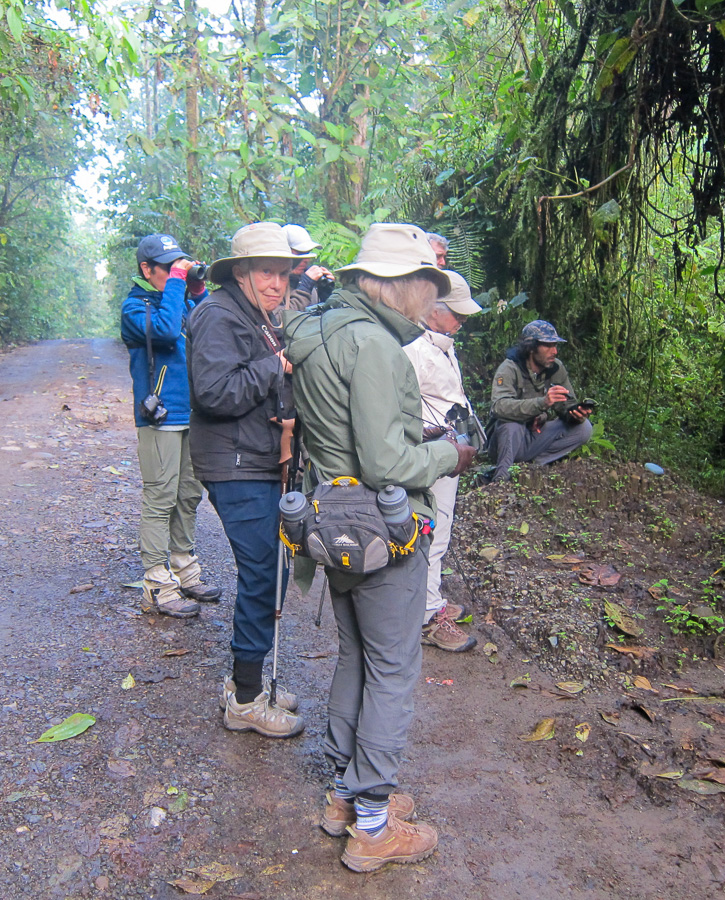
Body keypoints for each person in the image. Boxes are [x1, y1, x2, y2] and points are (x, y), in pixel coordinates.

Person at [282, 223, 477, 873]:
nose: (434, 299)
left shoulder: (318, 331)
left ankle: (346, 794)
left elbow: (344, 427)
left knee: (357, 658)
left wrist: (405, 426)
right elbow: (385, 458)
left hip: (330, 522)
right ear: (401, 285)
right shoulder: (375, 347)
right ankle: (372, 824)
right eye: (431, 285)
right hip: (383, 530)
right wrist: (451, 451)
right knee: (392, 668)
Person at [186, 223, 305, 739]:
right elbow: (214, 392)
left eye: (283, 273)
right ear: (241, 272)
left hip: (255, 460)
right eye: (266, 272)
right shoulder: (217, 315)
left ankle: (247, 684)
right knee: (262, 573)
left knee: (271, 570)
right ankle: (247, 699)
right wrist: (275, 366)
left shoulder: (257, 315)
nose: (277, 283)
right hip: (234, 466)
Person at [120, 234, 222, 618]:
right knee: (160, 497)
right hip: (159, 416)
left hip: (192, 414)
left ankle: (183, 567)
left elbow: (210, 330)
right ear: (146, 269)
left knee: (188, 495)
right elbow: (163, 332)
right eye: (167, 267)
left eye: (177, 265)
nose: (173, 272)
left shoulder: (179, 299)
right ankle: (156, 585)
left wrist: (196, 290)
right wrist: (178, 284)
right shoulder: (135, 307)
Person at [402, 271, 481, 654]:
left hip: (450, 451)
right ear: (433, 309)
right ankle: (428, 615)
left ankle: (428, 599)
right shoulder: (412, 348)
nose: (461, 320)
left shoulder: (441, 344)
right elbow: (401, 407)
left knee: (440, 527)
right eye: (456, 312)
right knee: (431, 529)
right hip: (432, 452)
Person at [487, 319, 594, 480]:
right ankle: (501, 477)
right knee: (511, 425)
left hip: (534, 436)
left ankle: (535, 466)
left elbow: (567, 405)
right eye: (548, 346)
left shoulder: (556, 368)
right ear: (531, 348)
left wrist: (576, 413)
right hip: (505, 442)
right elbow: (499, 407)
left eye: (555, 346)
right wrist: (542, 403)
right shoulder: (509, 368)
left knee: (584, 428)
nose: (554, 351)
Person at [283, 223, 335, 309]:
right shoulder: (275, 285)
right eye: (300, 254)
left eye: (307, 253)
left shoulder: (307, 278)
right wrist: (304, 287)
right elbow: (282, 317)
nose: (306, 259)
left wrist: (326, 296)